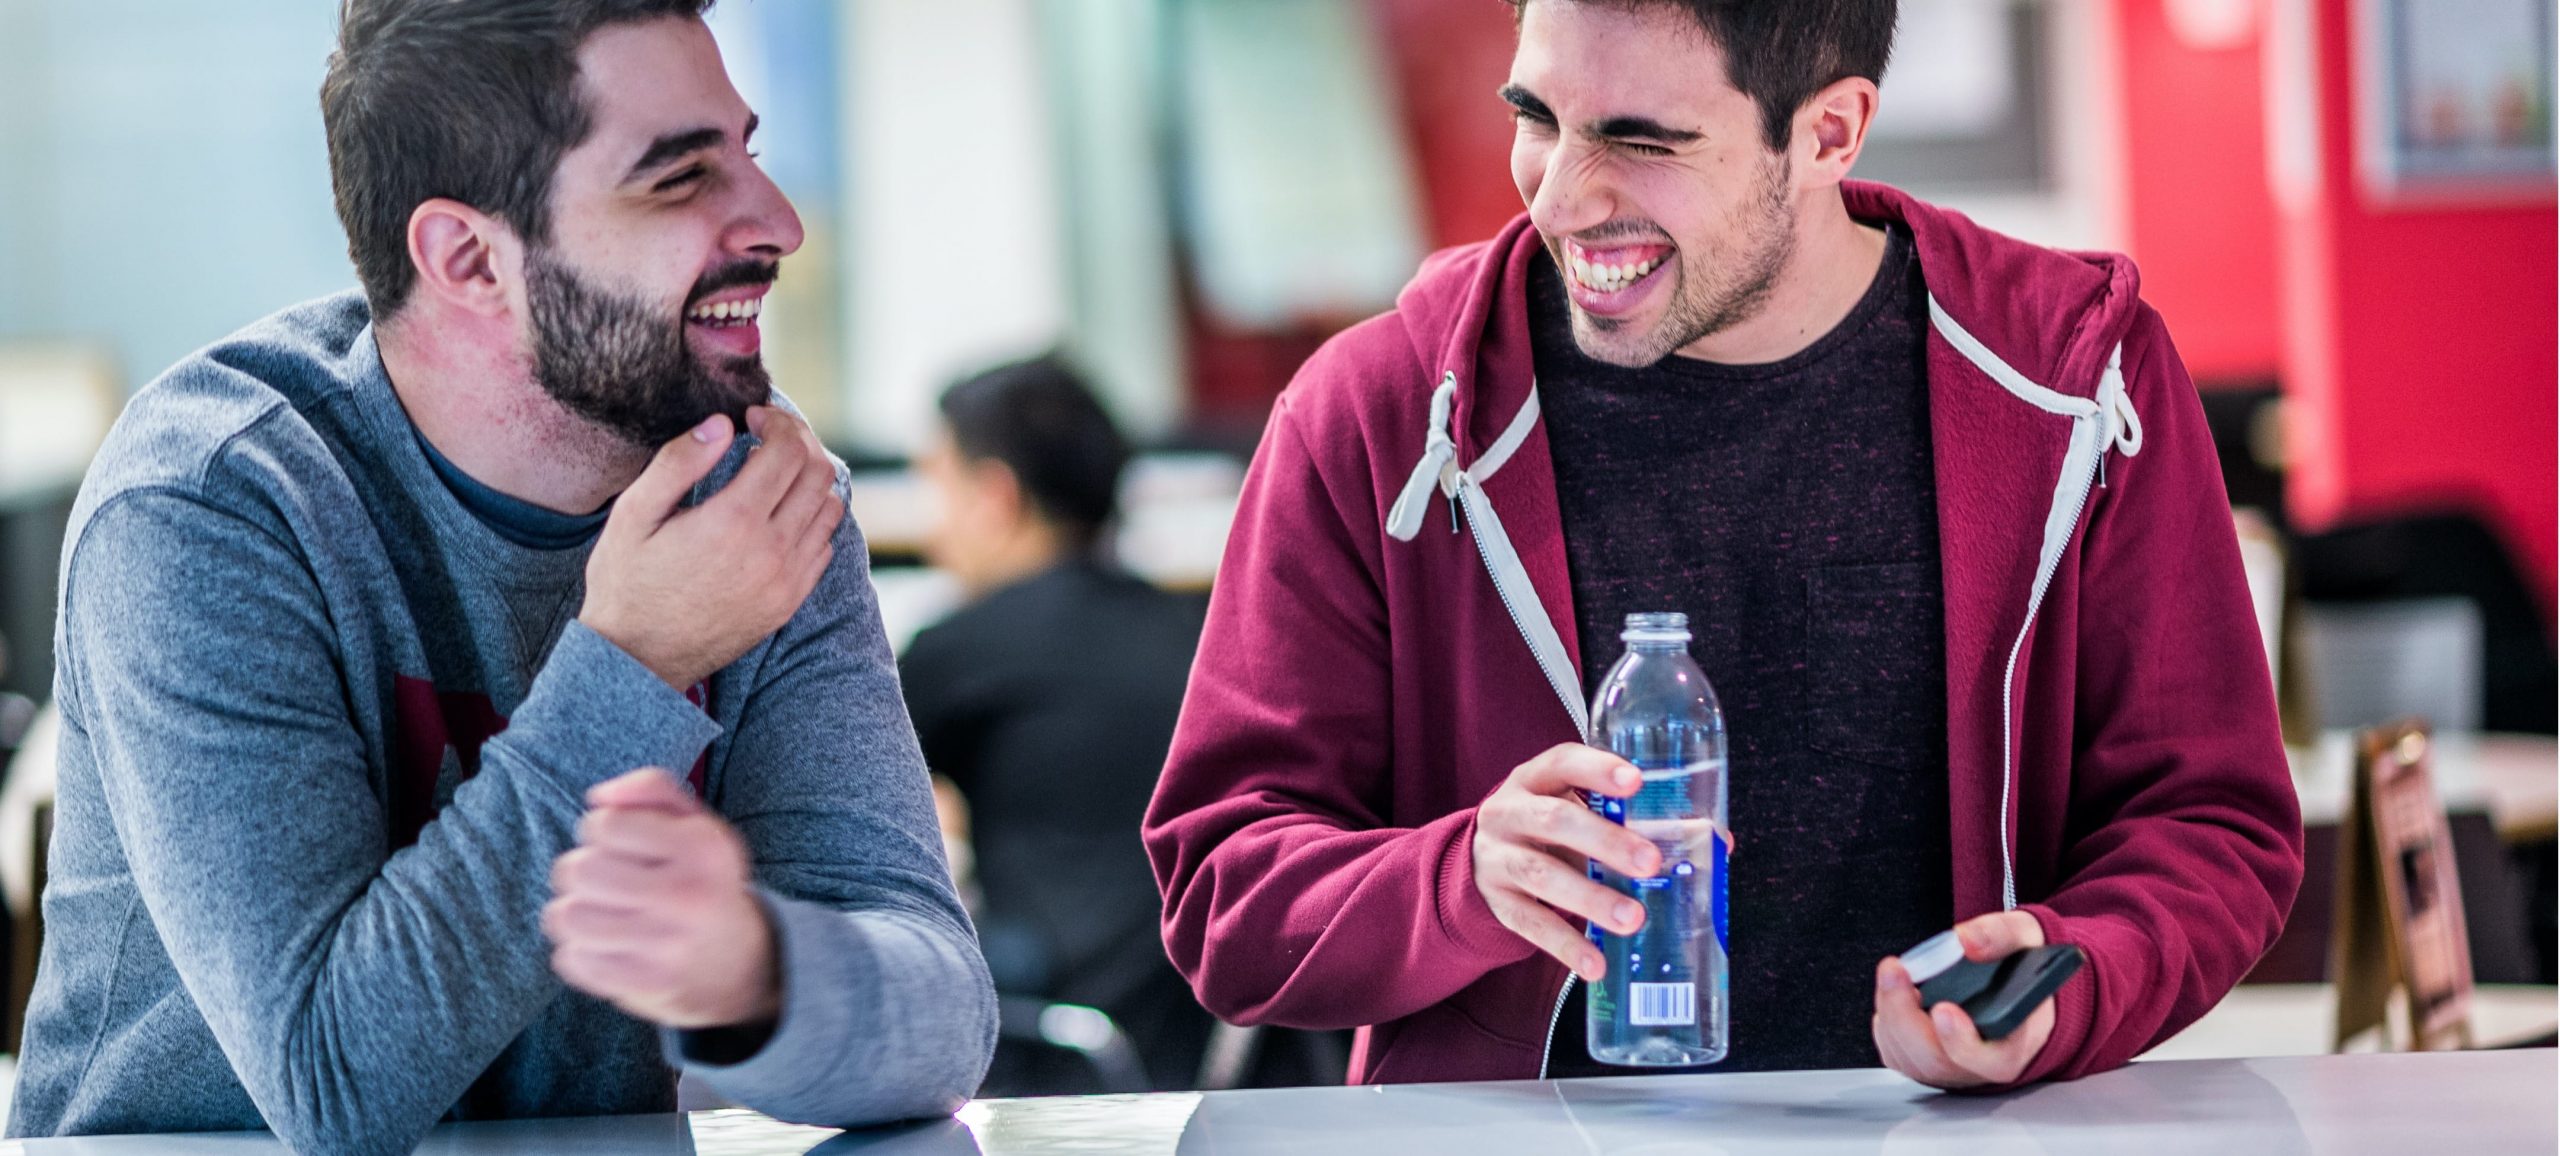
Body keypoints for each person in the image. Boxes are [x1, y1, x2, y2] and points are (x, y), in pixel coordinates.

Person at [1145, 0, 2304, 1090]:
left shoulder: (2074, 382)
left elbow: (2211, 827)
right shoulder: (1378, 413)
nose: (1559, 197)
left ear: (1827, 134)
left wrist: (2065, 983)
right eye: (1535, 119)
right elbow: (1220, 898)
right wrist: (1458, 882)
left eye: (1642, 141)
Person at [7, 1, 993, 1150]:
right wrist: (638, 661)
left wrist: (759, 970)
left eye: (750, 153)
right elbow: (335, 1083)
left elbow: (942, 1014)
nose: (776, 221)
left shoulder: (751, 494)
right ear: (469, 257)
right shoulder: (210, 502)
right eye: (680, 179)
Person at [901, 357, 1214, 1092]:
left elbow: (844, 820)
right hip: (1218, 1057)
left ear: (994, 496)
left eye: (939, 488)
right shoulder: (1200, 636)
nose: (934, 533)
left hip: (1045, 1058)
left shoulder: (965, 649)